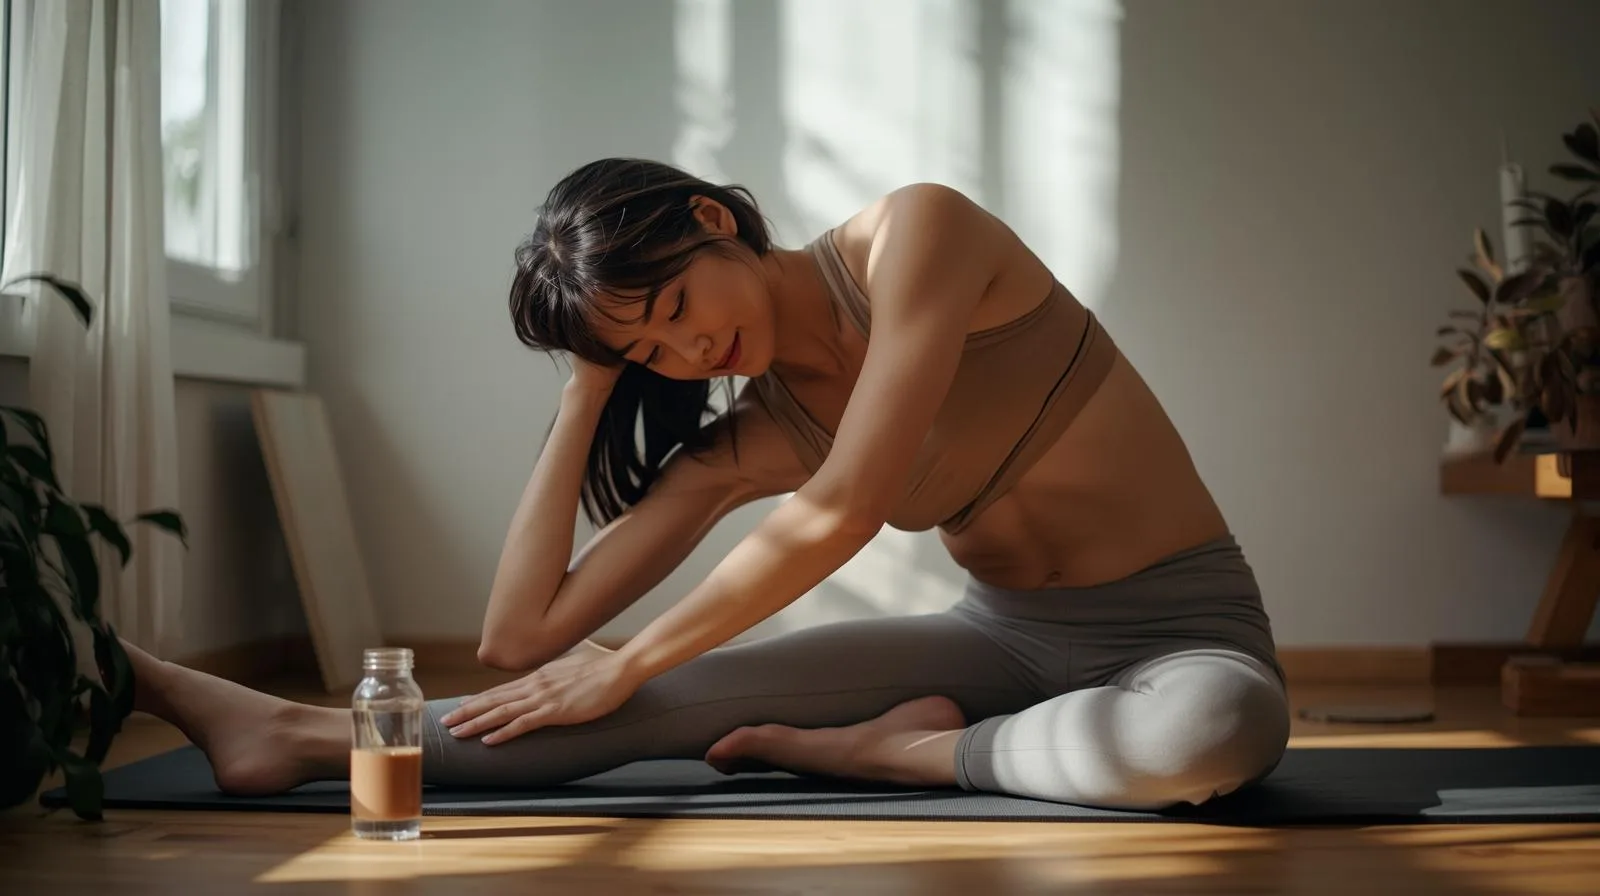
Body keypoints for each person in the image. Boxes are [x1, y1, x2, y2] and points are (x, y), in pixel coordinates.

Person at [126, 158, 1290, 812]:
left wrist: (632, 654)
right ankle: (290, 729)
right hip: (999, 642)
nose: (687, 357)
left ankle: (896, 753)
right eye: (649, 353)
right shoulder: (759, 427)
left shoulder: (917, 236)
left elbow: (840, 509)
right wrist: (587, 386)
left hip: (1183, 626)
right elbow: (520, 632)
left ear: (714, 218)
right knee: (604, 701)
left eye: (679, 309)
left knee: (1216, 727)